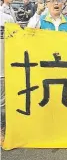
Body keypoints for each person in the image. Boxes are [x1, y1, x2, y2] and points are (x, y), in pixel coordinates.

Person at [0, 12, 15, 144]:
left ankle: (2, 129)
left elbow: (17, 37)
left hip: (4, 68)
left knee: (2, 103)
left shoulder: (7, 17)